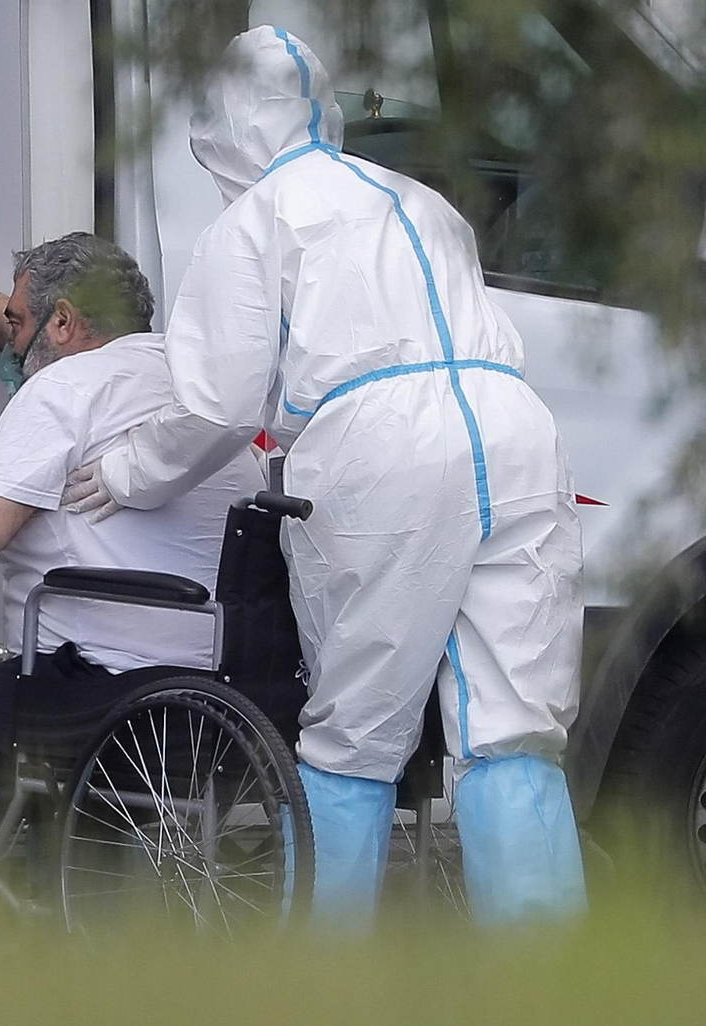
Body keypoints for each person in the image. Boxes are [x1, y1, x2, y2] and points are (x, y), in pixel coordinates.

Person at [59, 26, 586, 928]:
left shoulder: (255, 219)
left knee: (352, 737)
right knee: (515, 729)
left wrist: (128, 469)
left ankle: (322, 984)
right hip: (517, 433)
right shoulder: (422, 201)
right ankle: (550, 988)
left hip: (383, 449)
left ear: (223, 127)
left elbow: (218, 403)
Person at [0, 233, 264, 916]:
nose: (10, 346)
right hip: (228, 712)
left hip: (110, 702)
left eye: (18, 324)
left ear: (64, 322)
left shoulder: (64, 387)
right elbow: (41, 326)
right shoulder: (201, 401)